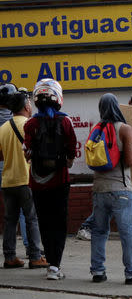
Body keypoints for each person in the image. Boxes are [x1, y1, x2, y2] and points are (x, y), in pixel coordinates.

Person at [88, 93, 132, 284]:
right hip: (121, 189)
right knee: (127, 232)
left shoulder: (96, 129)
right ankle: (131, 273)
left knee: (99, 231)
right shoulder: (125, 129)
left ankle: (98, 272)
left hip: (99, 189)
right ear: (117, 107)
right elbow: (129, 161)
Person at [24, 79, 76, 278]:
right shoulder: (66, 121)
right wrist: (66, 161)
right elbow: (72, 150)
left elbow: (26, 153)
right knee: (59, 223)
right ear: (57, 98)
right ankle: (55, 265)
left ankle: (50, 264)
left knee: (44, 223)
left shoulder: (30, 124)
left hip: (37, 183)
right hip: (61, 181)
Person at [0, 90, 48, 270]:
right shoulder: (30, 124)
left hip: (7, 180)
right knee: (31, 218)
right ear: (26, 106)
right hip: (25, 179)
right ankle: (36, 256)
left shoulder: (3, 128)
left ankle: (10, 257)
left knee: (10, 220)